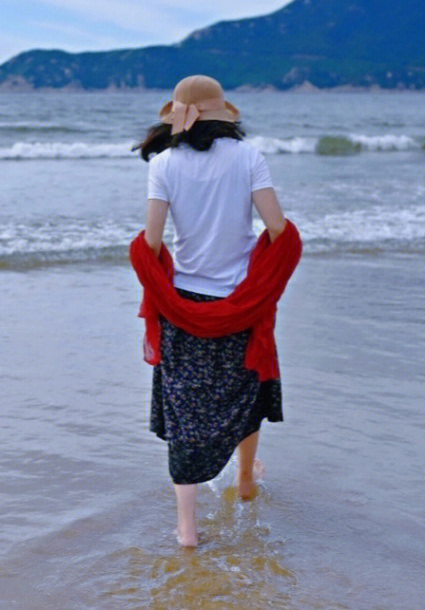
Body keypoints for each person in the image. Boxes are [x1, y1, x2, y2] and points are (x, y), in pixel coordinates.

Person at [132, 75, 293, 548]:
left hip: (184, 308)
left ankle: (186, 527)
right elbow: (278, 226)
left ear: (179, 115)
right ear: (222, 114)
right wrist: (260, 266)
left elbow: (152, 242)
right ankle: (244, 480)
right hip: (241, 303)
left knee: (184, 411)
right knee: (247, 391)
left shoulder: (162, 164)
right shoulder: (248, 158)